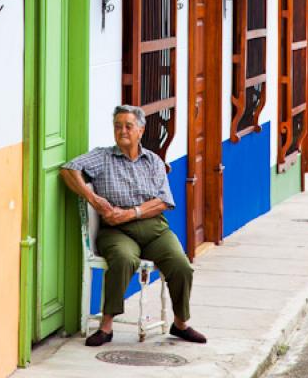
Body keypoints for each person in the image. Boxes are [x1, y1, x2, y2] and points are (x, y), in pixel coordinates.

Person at [60, 104, 207, 347]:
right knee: (123, 259)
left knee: (181, 265)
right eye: (118, 126)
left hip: (154, 229)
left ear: (140, 130)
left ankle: (180, 324)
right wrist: (94, 199)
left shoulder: (153, 161)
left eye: (128, 126)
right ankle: (106, 326)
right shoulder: (103, 157)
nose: (122, 131)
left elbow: (163, 202)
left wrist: (130, 213)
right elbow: (68, 170)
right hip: (116, 232)